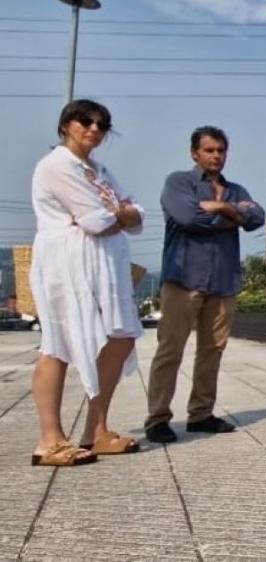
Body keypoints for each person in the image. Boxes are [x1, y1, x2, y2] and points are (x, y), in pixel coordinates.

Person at [28, 99, 145, 466]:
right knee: (59, 344)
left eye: (101, 125)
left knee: (123, 334)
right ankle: (49, 439)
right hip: (67, 262)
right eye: (85, 121)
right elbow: (95, 219)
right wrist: (117, 214)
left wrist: (119, 214)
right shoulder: (55, 166)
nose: (93, 129)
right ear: (66, 124)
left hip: (105, 263)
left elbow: (135, 215)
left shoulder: (99, 169)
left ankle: (97, 429)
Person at [145, 126, 265, 444]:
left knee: (212, 350)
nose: (216, 156)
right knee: (170, 349)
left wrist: (224, 207)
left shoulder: (234, 190)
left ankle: (201, 414)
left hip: (223, 280)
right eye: (209, 150)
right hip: (184, 278)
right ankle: (157, 418)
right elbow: (188, 219)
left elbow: (257, 219)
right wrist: (233, 217)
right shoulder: (178, 182)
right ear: (194, 152)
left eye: (221, 150)